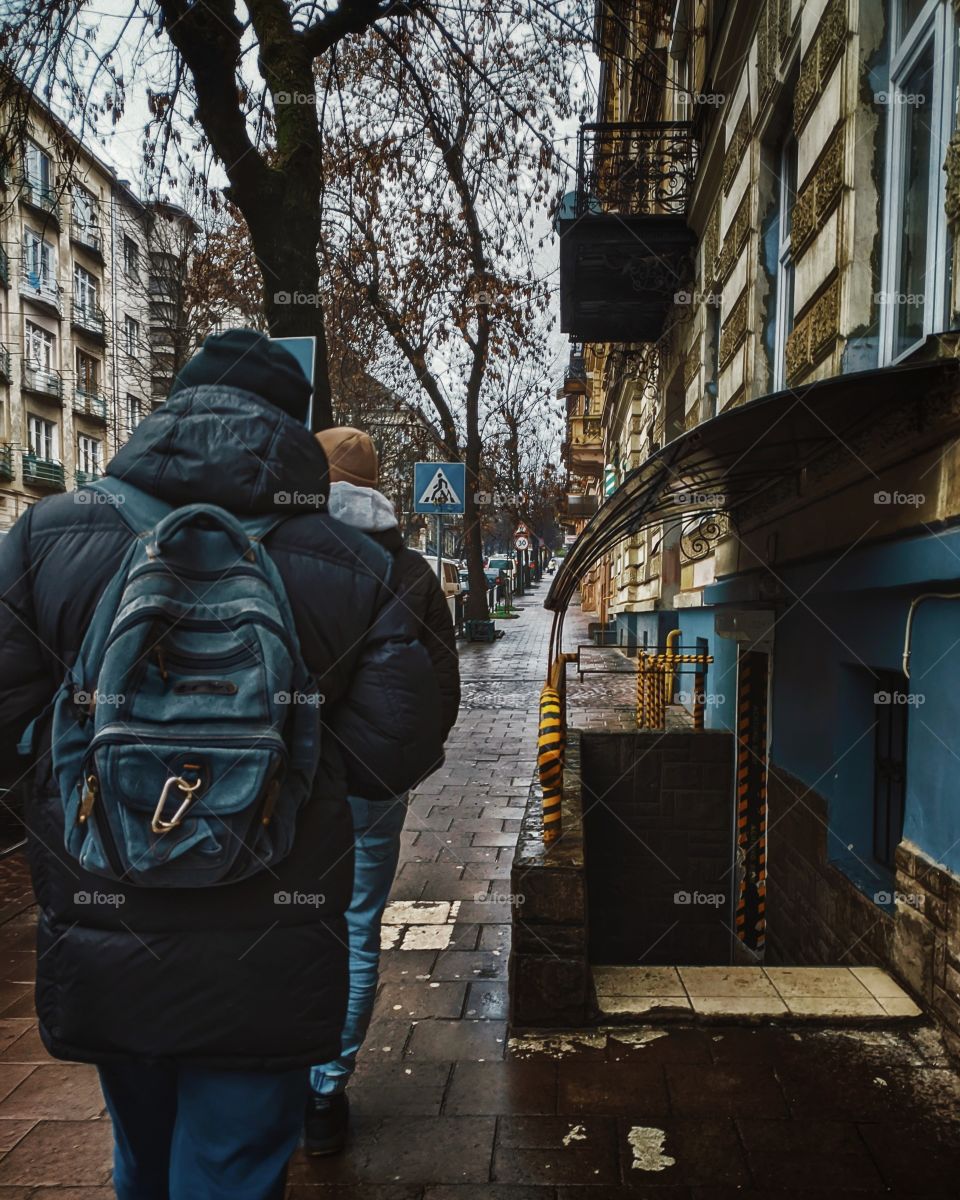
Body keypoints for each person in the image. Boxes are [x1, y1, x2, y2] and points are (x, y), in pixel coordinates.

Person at [0, 330, 443, 1200]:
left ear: (174, 407)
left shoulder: (45, 539)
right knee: (234, 1164)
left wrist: (81, 792)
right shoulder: (355, 563)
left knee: (142, 1151)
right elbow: (396, 747)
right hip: (268, 936)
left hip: (106, 919)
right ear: (291, 429)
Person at [305, 427, 460, 1155]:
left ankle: (269, 1076)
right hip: (371, 785)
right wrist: (406, 761)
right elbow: (442, 688)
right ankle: (324, 1094)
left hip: (289, 783)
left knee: (277, 924)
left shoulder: (277, 551)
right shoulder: (414, 572)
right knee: (356, 925)